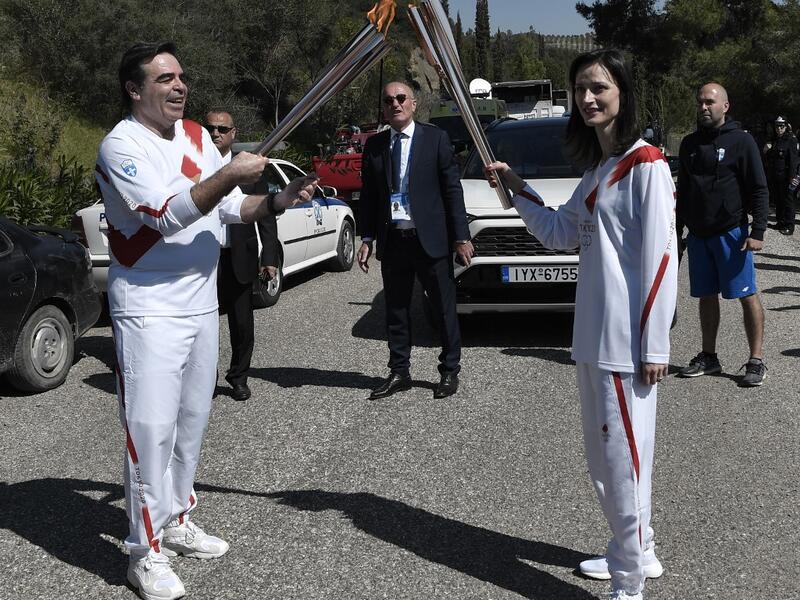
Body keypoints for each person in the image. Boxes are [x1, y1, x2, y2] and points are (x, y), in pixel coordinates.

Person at [95, 42, 316, 600]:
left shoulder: (195, 136)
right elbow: (165, 214)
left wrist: (275, 201)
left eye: (182, 77)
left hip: (201, 301)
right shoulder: (121, 146)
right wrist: (232, 172)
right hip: (148, 306)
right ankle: (143, 553)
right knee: (151, 430)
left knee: (192, 421)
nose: (178, 86)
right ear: (134, 88)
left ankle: (175, 520)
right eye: (164, 78)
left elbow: (231, 206)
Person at [486, 49, 677, 600]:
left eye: (599, 87)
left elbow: (663, 260)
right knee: (607, 462)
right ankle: (636, 552)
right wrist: (518, 188)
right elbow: (559, 233)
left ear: (622, 91)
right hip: (592, 338)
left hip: (626, 344)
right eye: (579, 89)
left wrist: (655, 342)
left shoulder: (647, 166)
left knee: (623, 465)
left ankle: (629, 584)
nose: (587, 98)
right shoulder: (599, 170)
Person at [357, 81, 474, 400]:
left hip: (431, 240)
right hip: (394, 240)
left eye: (400, 98)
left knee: (443, 308)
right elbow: (369, 196)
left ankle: (449, 371)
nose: (394, 103)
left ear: (413, 103)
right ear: (383, 107)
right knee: (396, 309)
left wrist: (461, 236)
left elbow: (452, 190)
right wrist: (366, 236)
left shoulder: (435, 139)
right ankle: (399, 371)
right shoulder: (375, 145)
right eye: (388, 100)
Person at [675, 83, 768, 387]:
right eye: (700, 102)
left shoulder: (742, 142)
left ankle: (756, 360)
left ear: (725, 106)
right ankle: (709, 356)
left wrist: (758, 231)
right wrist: (676, 233)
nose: (704, 107)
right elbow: (684, 191)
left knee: (746, 295)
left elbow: (758, 187)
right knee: (706, 296)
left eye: (710, 102)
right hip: (700, 236)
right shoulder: (689, 144)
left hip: (732, 234)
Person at [207, 110, 280, 401]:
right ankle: (204, 381)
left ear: (233, 133)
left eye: (222, 129)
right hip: (205, 261)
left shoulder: (250, 170)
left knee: (241, 323)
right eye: (210, 128)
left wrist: (270, 258)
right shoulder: (195, 168)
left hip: (240, 257)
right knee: (204, 327)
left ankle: (238, 377)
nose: (215, 134)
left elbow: (266, 217)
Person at [764, 115, 798, 235]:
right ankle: (780, 222)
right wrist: (767, 151)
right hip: (776, 176)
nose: (779, 129)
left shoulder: (791, 140)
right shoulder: (775, 140)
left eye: (781, 126)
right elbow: (771, 159)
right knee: (778, 200)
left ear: (786, 126)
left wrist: (793, 177)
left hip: (787, 176)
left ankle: (789, 226)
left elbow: (793, 160)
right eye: (777, 126)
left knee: (788, 201)